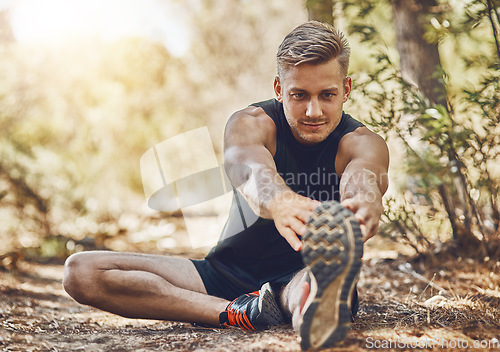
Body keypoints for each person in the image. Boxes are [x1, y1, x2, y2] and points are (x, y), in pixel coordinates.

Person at [63, 21, 389, 350]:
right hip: (223, 274)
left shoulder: (363, 143)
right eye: (299, 95)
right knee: (81, 272)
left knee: (317, 299)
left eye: (328, 95)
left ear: (346, 89)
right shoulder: (250, 124)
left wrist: (364, 204)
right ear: (279, 88)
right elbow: (248, 169)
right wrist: (278, 201)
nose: (313, 110)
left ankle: (306, 305)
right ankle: (239, 312)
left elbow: (364, 180)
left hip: (301, 276)